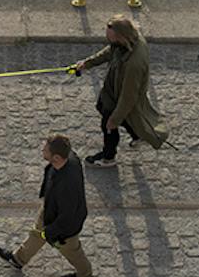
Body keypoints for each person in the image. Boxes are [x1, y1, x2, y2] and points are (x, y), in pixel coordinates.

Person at [71, 13, 168, 167]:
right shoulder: (128, 41)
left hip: (119, 96)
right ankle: (137, 134)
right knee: (102, 107)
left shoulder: (133, 64)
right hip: (113, 88)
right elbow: (110, 51)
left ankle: (108, 157)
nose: (110, 41)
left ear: (122, 37)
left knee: (108, 125)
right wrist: (87, 63)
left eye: (112, 38)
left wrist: (114, 120)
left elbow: (128, 97)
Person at [0, 133, 92, 277]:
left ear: (56, 158)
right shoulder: (68, 156)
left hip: (65, 229)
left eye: (45, 150)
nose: (42, 151)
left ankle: (84, 275)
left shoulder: (67, 187)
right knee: (36, 234)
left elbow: (67, 217)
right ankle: (18, 259)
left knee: (72, 252)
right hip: (50, 210)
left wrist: (50, 232)